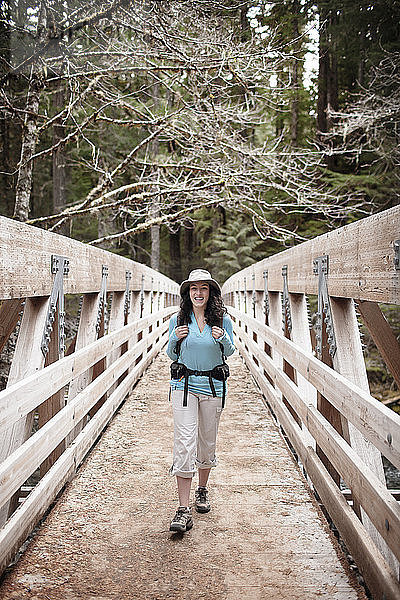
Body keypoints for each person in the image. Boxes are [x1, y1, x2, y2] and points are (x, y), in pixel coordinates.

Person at [166, 269, 235, 533]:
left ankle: (202, 489)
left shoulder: (222, 320)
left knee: (206, 442)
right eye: (194, 288)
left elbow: (230, 351)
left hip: (213, 386)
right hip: (183, 386)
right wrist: (175, 337)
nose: (198, 293)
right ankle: (183, 510)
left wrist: (223, 337)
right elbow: (170, 353)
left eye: (203, 288)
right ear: (187, 293)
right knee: (185, 442)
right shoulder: (178, 319)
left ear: (210, 292)